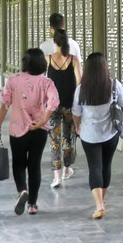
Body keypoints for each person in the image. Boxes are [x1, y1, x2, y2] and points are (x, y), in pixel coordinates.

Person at [0, 48, 60, 216]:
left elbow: (4, 105)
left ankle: (22, 190)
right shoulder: (46, 82)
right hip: (39, 130)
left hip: (17, 129)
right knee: (34, 165)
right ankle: (32, 204)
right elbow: (54, 101)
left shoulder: (13, 79)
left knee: (18, 164)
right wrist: (43, 121)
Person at [71, 52, 123, 220]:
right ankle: (102, 200)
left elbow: (76, 112)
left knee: (94, 167)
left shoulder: (81, 89)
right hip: (110, 134)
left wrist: (77, 126)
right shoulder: (114, 85)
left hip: (89, 135)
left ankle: (99, 204)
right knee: (106, 166)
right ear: (105, 67)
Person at [45, 29, 81, 188]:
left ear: (54, 42)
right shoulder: (73, 60)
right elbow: (79, 82)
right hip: (69, 105)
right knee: (68, 138)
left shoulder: (48, 59)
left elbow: (42, 81)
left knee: (54, 140)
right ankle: (66, 169)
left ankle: (57, 177)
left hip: (53, 106)